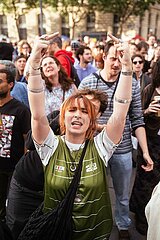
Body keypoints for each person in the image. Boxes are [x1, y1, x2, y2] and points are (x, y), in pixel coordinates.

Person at [25, 32, 133, 240]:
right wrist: (35, 63)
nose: (77, 114)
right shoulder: (49, 145)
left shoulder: (101, 147)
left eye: (85, 111)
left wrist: (127, 68)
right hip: (57, 232)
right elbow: (38, 114)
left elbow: (120, 112)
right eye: (72, 110)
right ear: (63, 117)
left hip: (94, 234)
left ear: (92, 121)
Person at [6, 88, 108, 240]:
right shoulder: (57, 117)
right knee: (16, 229)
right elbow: (30, 142)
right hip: (27, 186)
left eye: (89, 108)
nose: (80, 112)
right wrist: (63, 121)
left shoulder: (99, 141)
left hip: (55, 195)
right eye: (76, 106)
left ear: (98, 115)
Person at [78, 37, 153, 240]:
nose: (117, 63)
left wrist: (145, 152)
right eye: (113, 58)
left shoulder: (132, 84)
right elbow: (78, 117)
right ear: (103, 57)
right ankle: (92, 223)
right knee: (91, 192)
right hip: (95, 148)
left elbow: (137, 119)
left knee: (122, 194)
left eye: (121, 58)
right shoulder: (88, 82)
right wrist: (102, 128)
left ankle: (122, 225)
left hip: (123, 148)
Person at [130, 60, 160, 236]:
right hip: (149, 143)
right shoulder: (149, 90)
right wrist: (148, 110)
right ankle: (141, 219)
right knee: (145, 181)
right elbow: (136, 115)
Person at [0, 68, 31, 221]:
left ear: (11, 84)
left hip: (13, 168)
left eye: (0, 81)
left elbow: (27, 140)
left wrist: (23, 166)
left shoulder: (21, 110)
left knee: (11, 209)